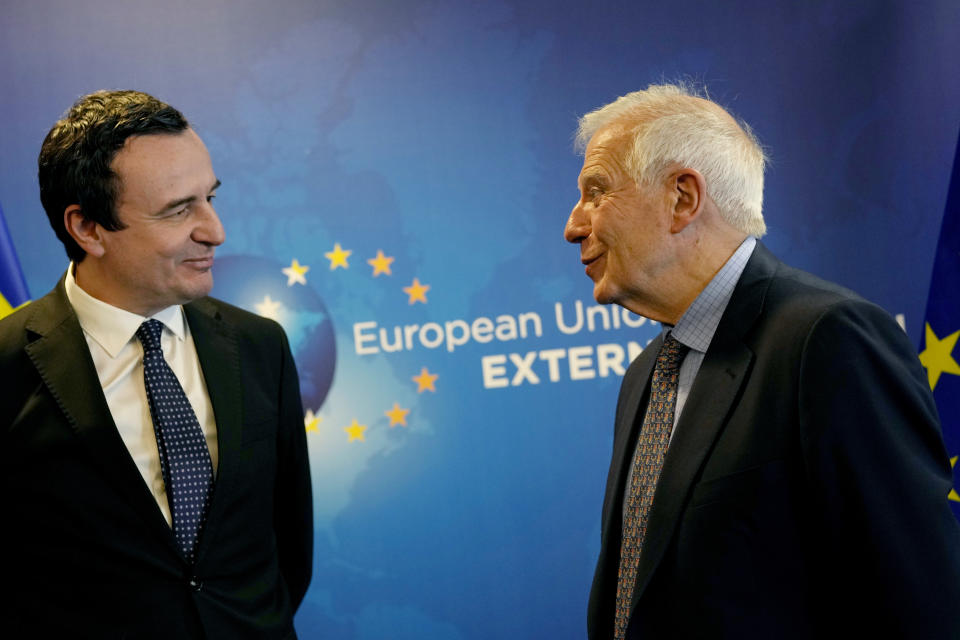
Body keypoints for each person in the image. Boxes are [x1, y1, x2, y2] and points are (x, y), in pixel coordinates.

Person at [565, 84, 960, 639]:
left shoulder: (828, 340)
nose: (574, 226)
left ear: (682, 198)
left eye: (596, 192)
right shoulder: (646, 374)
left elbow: (919, 600)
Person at [0, 90, 313, 638]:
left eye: (210, 198)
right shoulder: (7, 366)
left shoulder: (259, 344)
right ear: (88, 229)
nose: (214, 231)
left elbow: (288, 547)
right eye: (178, 210)